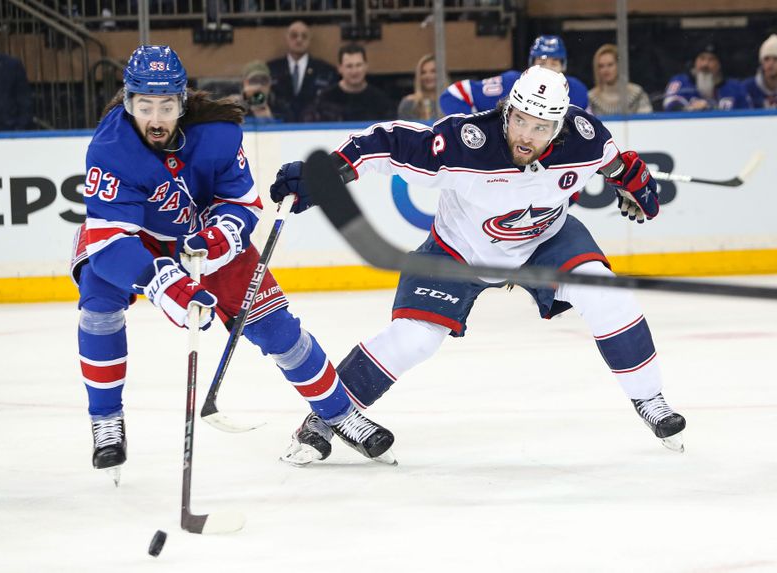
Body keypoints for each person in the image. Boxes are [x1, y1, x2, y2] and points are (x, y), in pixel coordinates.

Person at [271, 65, 687, 464]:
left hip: (546, 242)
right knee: (415, 339)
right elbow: (386, 142)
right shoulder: (464, 143)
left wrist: (628, 180)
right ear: (508, 110)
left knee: (605, 292)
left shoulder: (585, 136)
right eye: (520, 120)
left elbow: (613, 162)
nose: (525, 136)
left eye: (541, 128)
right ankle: (325, 419)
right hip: (458, 252)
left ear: (559, 126)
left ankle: (649, 398)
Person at [70, 45, 395, 482]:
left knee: (277, 329)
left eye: (166, 105)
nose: (156, 118)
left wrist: (218, 237)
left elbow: (241, 204)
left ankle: (338, 413)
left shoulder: (218, 135)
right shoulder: (110, 148)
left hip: (202, 235)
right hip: (135, 240)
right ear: (129, 102)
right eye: (144, 105)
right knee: (98, 303)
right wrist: (168, 285)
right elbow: (109, 241)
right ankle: (106, 420)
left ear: (182, 102)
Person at [439, 35, 589, 115]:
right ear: (531, 63)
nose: (548, 69)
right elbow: (454, 94)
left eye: (554, 62)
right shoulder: (510, 83)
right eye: (542, 62)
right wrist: (471, 127)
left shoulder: (578, 91)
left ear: (563, 66)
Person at [267, 20, 337, 123]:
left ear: (309, 40)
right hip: (279, 126)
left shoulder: (325, 70)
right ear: (286, 38)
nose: (299, 40)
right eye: (294, 35)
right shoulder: (271, 69)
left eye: (304, 36)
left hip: (315, 127)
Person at [307, 43, 394, 123]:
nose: (354, 71)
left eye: (358, 65)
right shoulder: (325, 99)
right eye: (349, 66)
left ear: (366, 66)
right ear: (340, 68)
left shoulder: (380, 100)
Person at [663, 43, 749, 111]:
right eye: (702, 58)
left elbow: (748, 114)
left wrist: (711, 108)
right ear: (695, 61)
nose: (705, 64)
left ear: (719, 64)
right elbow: (670, 104)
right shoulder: (680, 82)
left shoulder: (736, 87)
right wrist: (689, 109)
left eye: (711, 59)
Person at [588, 44, 653, 116]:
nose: (605, 70)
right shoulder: (590, 98)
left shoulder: (637, 93)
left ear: (619, 65)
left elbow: (646, 122)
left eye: (610, 65)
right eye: (601, 66)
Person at [397, 54, 446, 121]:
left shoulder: (451, 102)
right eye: (423, 72)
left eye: (433, 71)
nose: (428, 76)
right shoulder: (409, 103)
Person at [743, 34, 777, 109]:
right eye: (766, 59)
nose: (770, 63)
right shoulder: (747, 88)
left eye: (775, 59)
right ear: (761, 62)